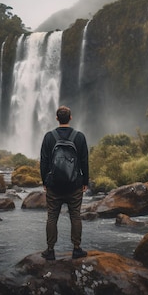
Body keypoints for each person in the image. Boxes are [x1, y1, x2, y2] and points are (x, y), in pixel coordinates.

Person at [40, 105, 89, 260]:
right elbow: (84, 161)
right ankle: (77, 248)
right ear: (71, 117)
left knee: (52, 217)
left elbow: (44, 161)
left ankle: (50, 250)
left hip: (54, 186)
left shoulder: (49, 137)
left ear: (56, 118)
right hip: (75, 185)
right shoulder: (79, 137)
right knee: (75, 216)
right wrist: (85, 181)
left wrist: (45, 182)